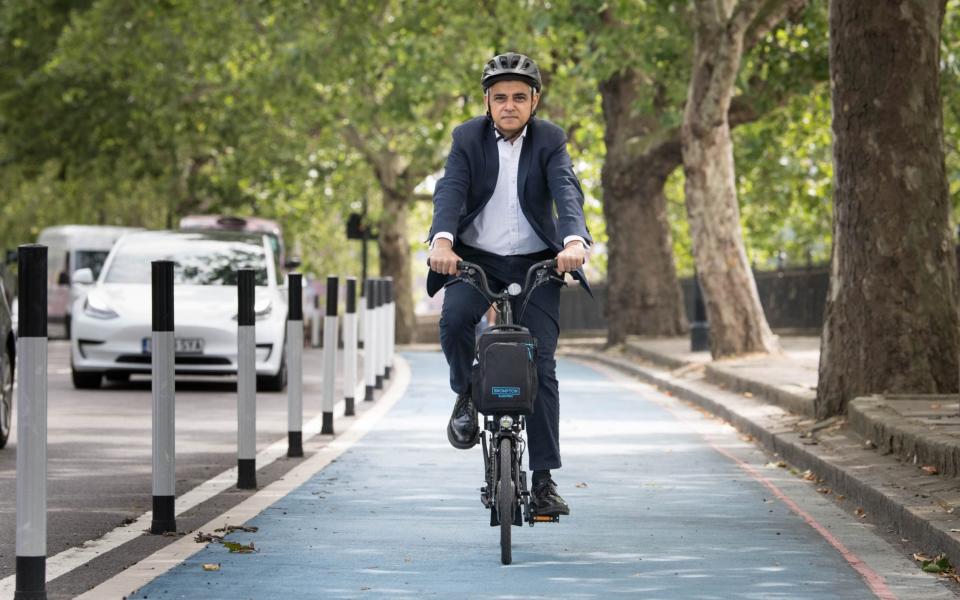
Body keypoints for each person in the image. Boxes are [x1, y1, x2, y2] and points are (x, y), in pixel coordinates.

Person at [426, 52, 592, 516]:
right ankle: (465, 393)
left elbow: (566, 191)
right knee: (455, 321)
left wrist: (573, 240)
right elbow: (450, 191)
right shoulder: (466, 138)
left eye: (520, 96)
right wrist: (442, 241)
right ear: (487, 102)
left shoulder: (551, 140)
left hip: (538, 262)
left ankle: (543, 481)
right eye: (500, 97)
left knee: (542, 364)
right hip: (474, 258)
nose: (509, 105)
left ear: (534, 101)